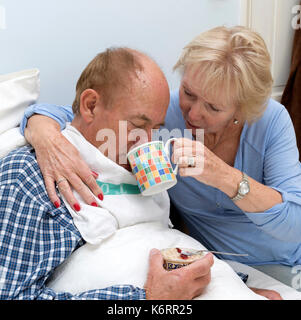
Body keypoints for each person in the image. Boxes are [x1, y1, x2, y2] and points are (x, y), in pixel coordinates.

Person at [18, 28, 288, 298]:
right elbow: (81, 116)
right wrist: (43, 131)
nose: (192, 114)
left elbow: (294, 223)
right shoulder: (30, 178)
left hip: (276, 259)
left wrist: (226, 178)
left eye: (214, 107)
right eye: (188, 93)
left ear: (240, 111)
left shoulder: (270, 122)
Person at [0, 48, 216, 300]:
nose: (145, 141)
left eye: (155, 128)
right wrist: (148, 299)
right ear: (90, 106)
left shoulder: (138, 173)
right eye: (137, 125)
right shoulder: (27, 179)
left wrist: (227, 282)